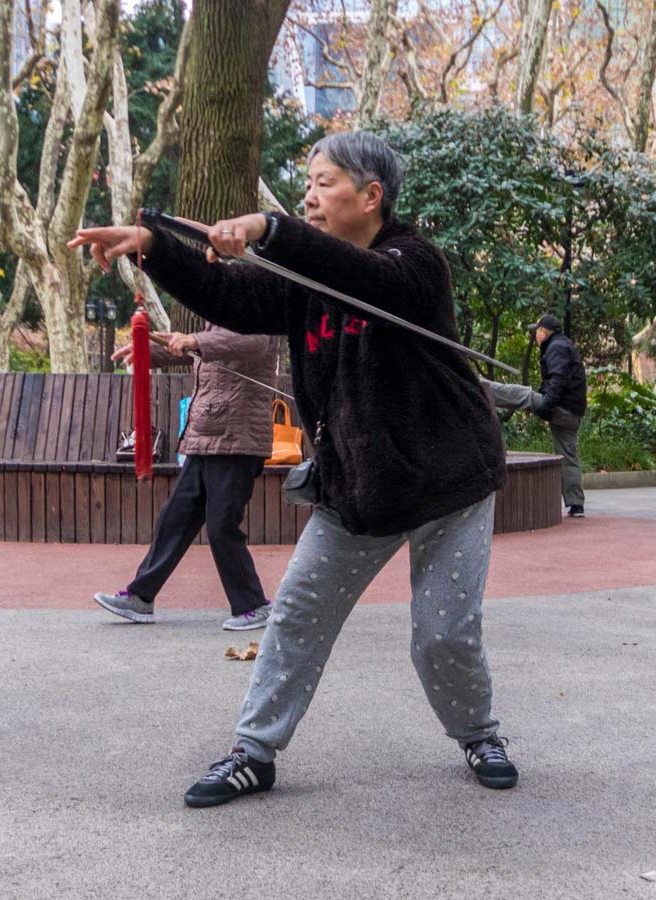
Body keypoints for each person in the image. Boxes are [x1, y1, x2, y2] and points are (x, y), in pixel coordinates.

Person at [69, 131, 517, 808]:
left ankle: (478, 733)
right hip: (356, 490)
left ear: (371, 197)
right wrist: (154, 248)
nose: (309, 193)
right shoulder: (300, 282)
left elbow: (369, 282)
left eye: (325, 181)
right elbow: (230, 297)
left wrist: (267, 228)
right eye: (305, 182)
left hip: (448, 479)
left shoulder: (414, 262)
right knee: (296, 617)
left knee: (443, 633)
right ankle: (253, 752)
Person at [93, 324, 277, 631]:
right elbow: (191, 349)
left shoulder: (253, 314)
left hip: (238, 438)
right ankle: (141, 597)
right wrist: (146, 351)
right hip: (205, 436)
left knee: (221, 526)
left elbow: (252, 339)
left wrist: (194, 339)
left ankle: (253, 605)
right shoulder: (217, 319)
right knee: (174, 519)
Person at [486, 314, 587, 517]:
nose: (535, 335)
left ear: (545, 332)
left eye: (537, 330)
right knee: (569, 457)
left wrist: (547, 404)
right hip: (572, 412)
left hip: (559, 407)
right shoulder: (563, 345)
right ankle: (576, 505)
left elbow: (558, 378)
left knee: (522, 395)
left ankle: (483, 388)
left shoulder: (556, 347)